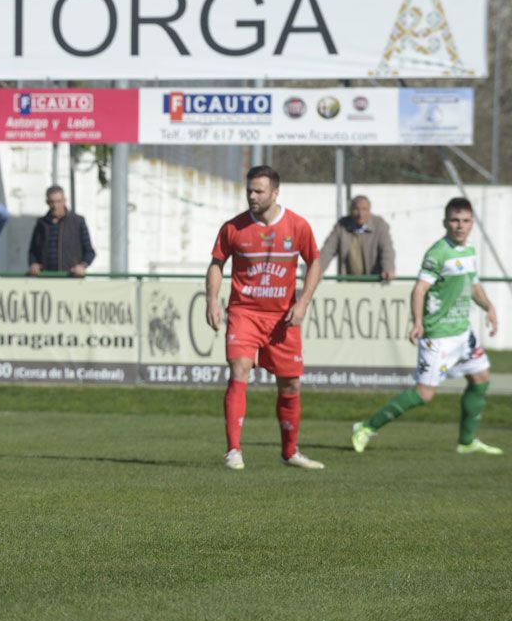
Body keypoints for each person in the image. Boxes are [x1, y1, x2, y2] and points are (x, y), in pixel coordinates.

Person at [351, 197, 501, 455]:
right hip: (439, 336)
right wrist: (418, 321)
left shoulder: (468, 251)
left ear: (472, 223)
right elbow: (420, 289)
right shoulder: (438, 252)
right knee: (424, 394)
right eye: (455, 220)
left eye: (465, 221)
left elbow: (473, 285)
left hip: (463, 334)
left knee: (480, 378)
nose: (460, 226)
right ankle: (365, 427)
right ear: (445, 222)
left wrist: (489, 307)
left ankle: (466, 442)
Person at [206, 165, 325, 471]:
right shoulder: (234, 228)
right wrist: (212, 300)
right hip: (244, 313)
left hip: (282, 318)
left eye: (259, 191)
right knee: (240, 368)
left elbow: (315, 262)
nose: (252, 196)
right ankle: (233, 449)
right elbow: (217, 263)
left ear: (275, 192)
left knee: (291, 386)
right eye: (249, 191)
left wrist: (303, 303)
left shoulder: (297, 226)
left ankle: (289, 452)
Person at [319, 195, 395, 281]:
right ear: (350, 210)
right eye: (356, 209)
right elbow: (328, 249)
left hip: (373, 283)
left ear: (369, 210)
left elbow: (387, 250)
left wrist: (388, 268)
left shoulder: (379, 225)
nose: (360, 214)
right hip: (348, 283)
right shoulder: (341, 226)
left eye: (364, 209)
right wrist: (317, 269)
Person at [27, 185, 95, 277]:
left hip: (71, 278)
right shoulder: (41, 224)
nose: (55, 206)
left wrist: (82, 266)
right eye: (52, 202)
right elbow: (33, 251)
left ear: (64, 201)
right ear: (47, 202)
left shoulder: (78, 222)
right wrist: (33, 264)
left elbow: (89, 252)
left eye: (58, 201)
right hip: (46, 278)